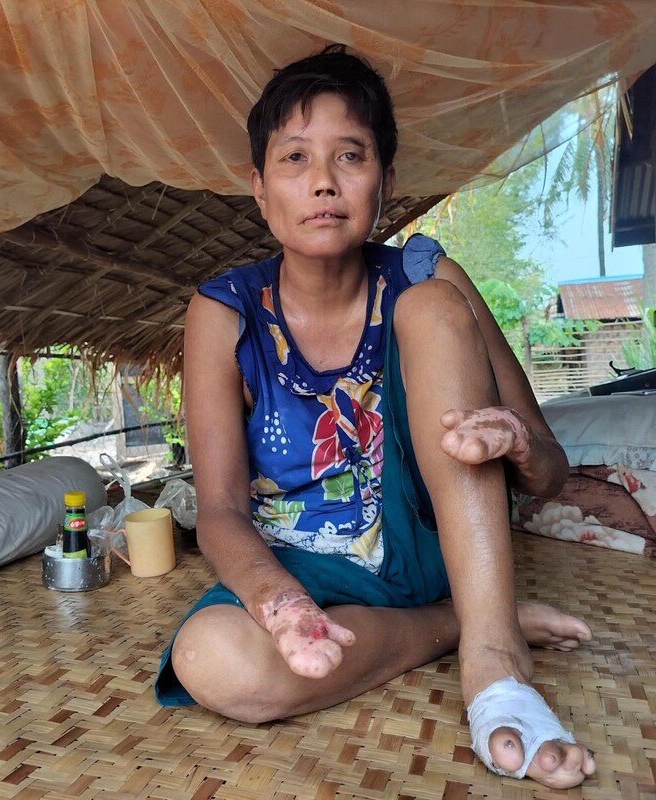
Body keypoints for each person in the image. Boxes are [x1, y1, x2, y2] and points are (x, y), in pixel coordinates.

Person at [154, 44, 596, 789]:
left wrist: (518, 447)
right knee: (212, 660)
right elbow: (222, 509)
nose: (323, 181)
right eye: (294, 158)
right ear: (260, 190)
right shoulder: (222, 312)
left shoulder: (427, 280)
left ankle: (495, 667)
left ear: (384, 183)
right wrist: (280, 603)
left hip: (424, 544)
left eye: (350, 155)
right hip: (303, 569)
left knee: (429, 308)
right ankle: (462, 624)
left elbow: (549, 471)